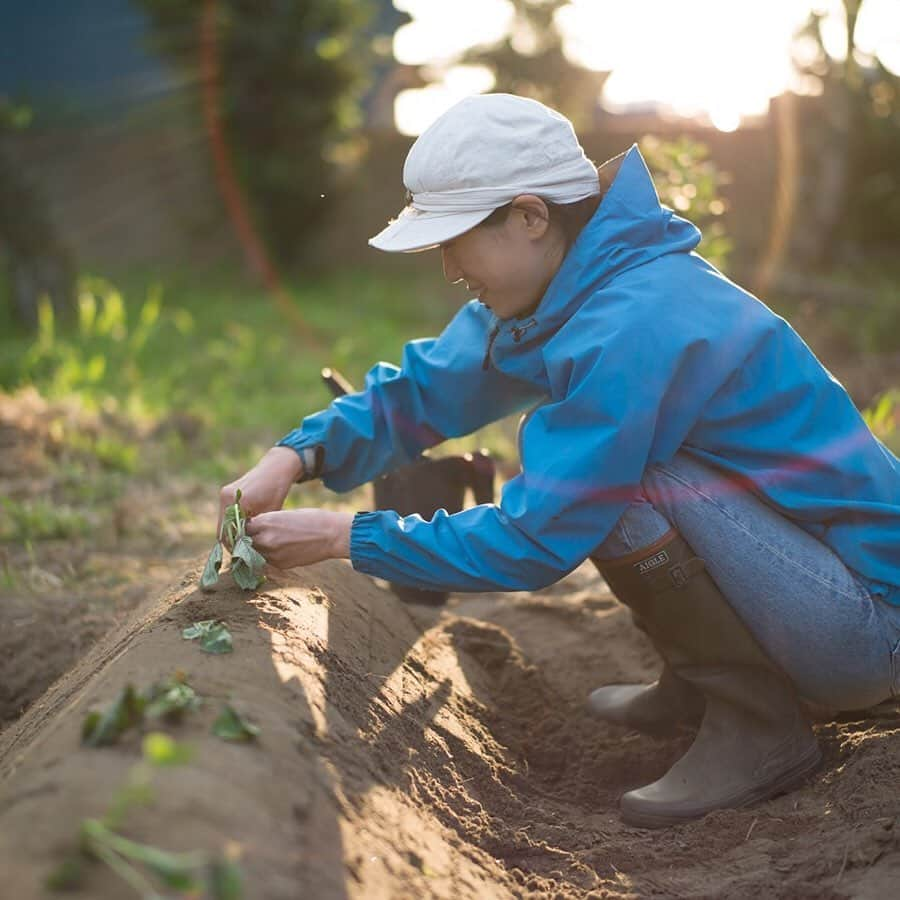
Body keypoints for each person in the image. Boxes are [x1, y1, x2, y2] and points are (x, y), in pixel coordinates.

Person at [219, 93, 900, 828]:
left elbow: (538, 535)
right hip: (808, 581)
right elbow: (425, 390)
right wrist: (296, 453)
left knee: (621, 485)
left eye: (456, 240)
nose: (447, 269)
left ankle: (756, 724)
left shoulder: (635, 318)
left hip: (868, 625)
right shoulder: (562, 289)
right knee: (621, 473)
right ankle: (705, 684)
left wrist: (343, 538)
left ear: (531, 215)